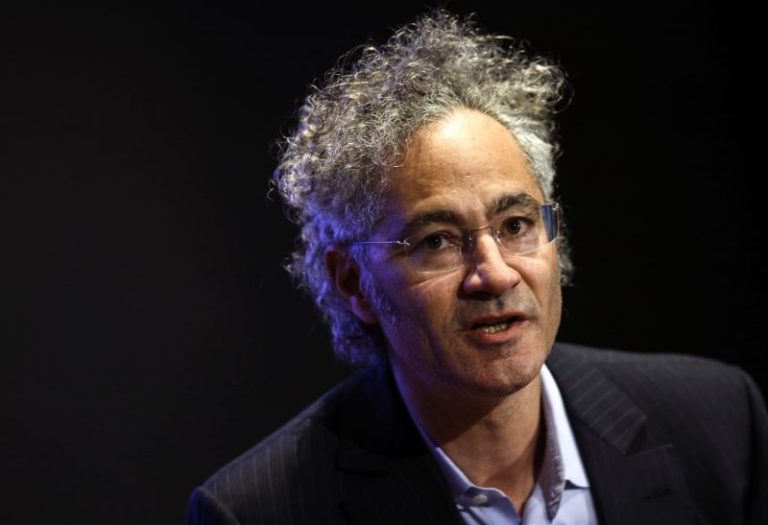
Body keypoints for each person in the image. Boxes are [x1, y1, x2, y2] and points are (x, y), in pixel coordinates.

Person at [186, 9, 767, 525]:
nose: (494, 275)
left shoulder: (716, 419)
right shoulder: (258, 511)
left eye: (515, 225)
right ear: (353, 282)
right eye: (437, 241)